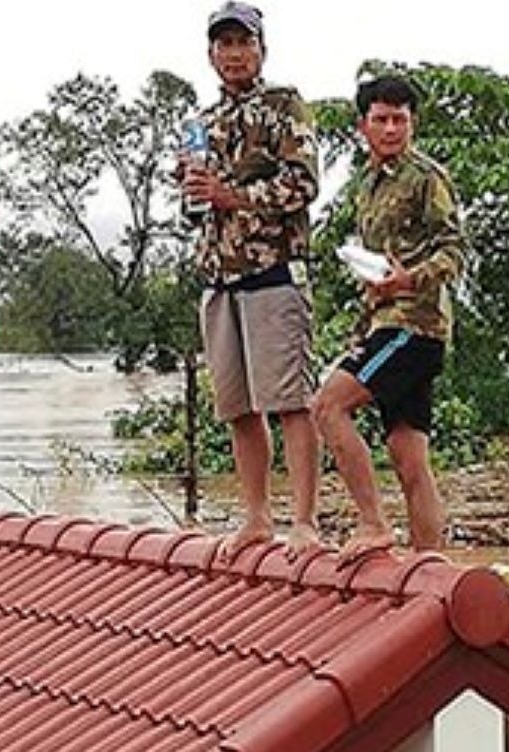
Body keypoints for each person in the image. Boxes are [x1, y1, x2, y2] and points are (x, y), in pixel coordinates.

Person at [185, 2, 322, 561]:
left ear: (262, 49)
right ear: (211, 54)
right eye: (224, 44)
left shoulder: (285, 105)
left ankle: (305, 522)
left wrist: (232, 194)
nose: (234, 53)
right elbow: (194, 208)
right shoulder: (201, 121)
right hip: (219, 277)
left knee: (291, 401)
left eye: (243, 42)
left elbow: (303, 184)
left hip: (274, 272)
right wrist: (194, 193)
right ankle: (257, 518)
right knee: (238, 408)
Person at [311, 74, 466, 563]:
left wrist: (408, 280)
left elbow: (455, 250)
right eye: (382, 119)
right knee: (408, 456)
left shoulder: (427, 177)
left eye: (400, 119)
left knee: (327, 407)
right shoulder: (367, 185)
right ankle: (429, 566)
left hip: (413, 326)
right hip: (383, 322)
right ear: (363, 126)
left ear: (412, 123)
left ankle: (374, 524)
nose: (392, 128)